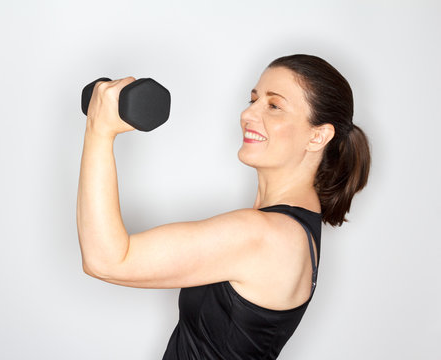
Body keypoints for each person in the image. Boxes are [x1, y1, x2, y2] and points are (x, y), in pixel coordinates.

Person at [76, 54, 371, 359]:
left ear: (318, 135)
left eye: (274, 106)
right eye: (253, 99)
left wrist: (99, 130)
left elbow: (107, 260)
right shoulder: (291, 231)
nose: (247, 114)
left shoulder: (264, 236)